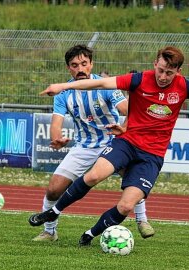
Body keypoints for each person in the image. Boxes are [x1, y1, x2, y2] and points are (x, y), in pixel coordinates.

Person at [30, 45, 189, 246]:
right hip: (122, 143)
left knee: (127, 203)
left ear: (177, 72)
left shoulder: (186, 87)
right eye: (160, 70)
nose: (162, 76)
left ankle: (93, 234)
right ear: (155, 65)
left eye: (169, 73)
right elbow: (100, 84)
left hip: (151, 154)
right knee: (90, 178)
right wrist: (62, 86)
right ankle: (52, 215)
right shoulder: (139, 79)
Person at [31, 44, 154, 242]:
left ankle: (142, 219)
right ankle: (49, 231)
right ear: (68, 68)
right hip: (84, 146)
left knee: (131, 177)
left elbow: (127, 109)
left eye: (83, 64)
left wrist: (124, 127)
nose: (80, 69)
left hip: (113, 143)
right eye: (74, 65)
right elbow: (56, 123)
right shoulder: (64, 94)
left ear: (91, 64)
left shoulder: (105, 86)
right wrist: (57, 139)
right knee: (54, 188)